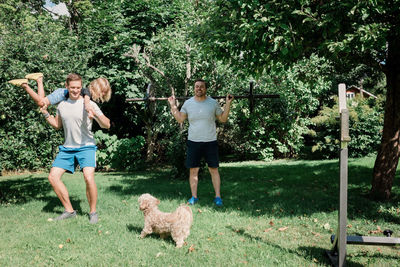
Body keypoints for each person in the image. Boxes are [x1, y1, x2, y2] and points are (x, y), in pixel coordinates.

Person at [39, 73, 111, 223]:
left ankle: (93, 212)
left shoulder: (90, 104)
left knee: (88, 177)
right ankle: (69, 210)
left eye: (78, 87)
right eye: (72, 88)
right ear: (67, 87)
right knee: (53, 177)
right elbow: (57, 125)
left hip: (86, 147)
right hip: (68, 148)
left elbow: (107, 124)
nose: (75, 90)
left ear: (81, 87)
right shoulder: (62, 105)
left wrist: (95, 116)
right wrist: (46, 114)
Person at [168, 79, 234, 207]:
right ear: (194, 89)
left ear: (205, 88)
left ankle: (218, 197)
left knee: (213, 169)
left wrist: (228, 104)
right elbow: (180, 118)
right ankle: (194, 197)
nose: (199, 89)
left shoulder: (213, 103)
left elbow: (223, 119)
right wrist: (173, 105)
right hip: (194, 142)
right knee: (193, 170)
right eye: (197, 87)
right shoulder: (188, 103)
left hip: (210, 141)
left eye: (201, 87)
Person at [8, 73, 111, 118]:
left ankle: (39, 79)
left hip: (61, 94)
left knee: (41, 102)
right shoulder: (87, 92)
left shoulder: (89, 93)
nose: (103, 94)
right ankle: (25, 85)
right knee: (41, 103)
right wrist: (88, 105)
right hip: (61, 94)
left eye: (105, 93)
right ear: (97, 88)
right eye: (102, 91)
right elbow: (86, 97)